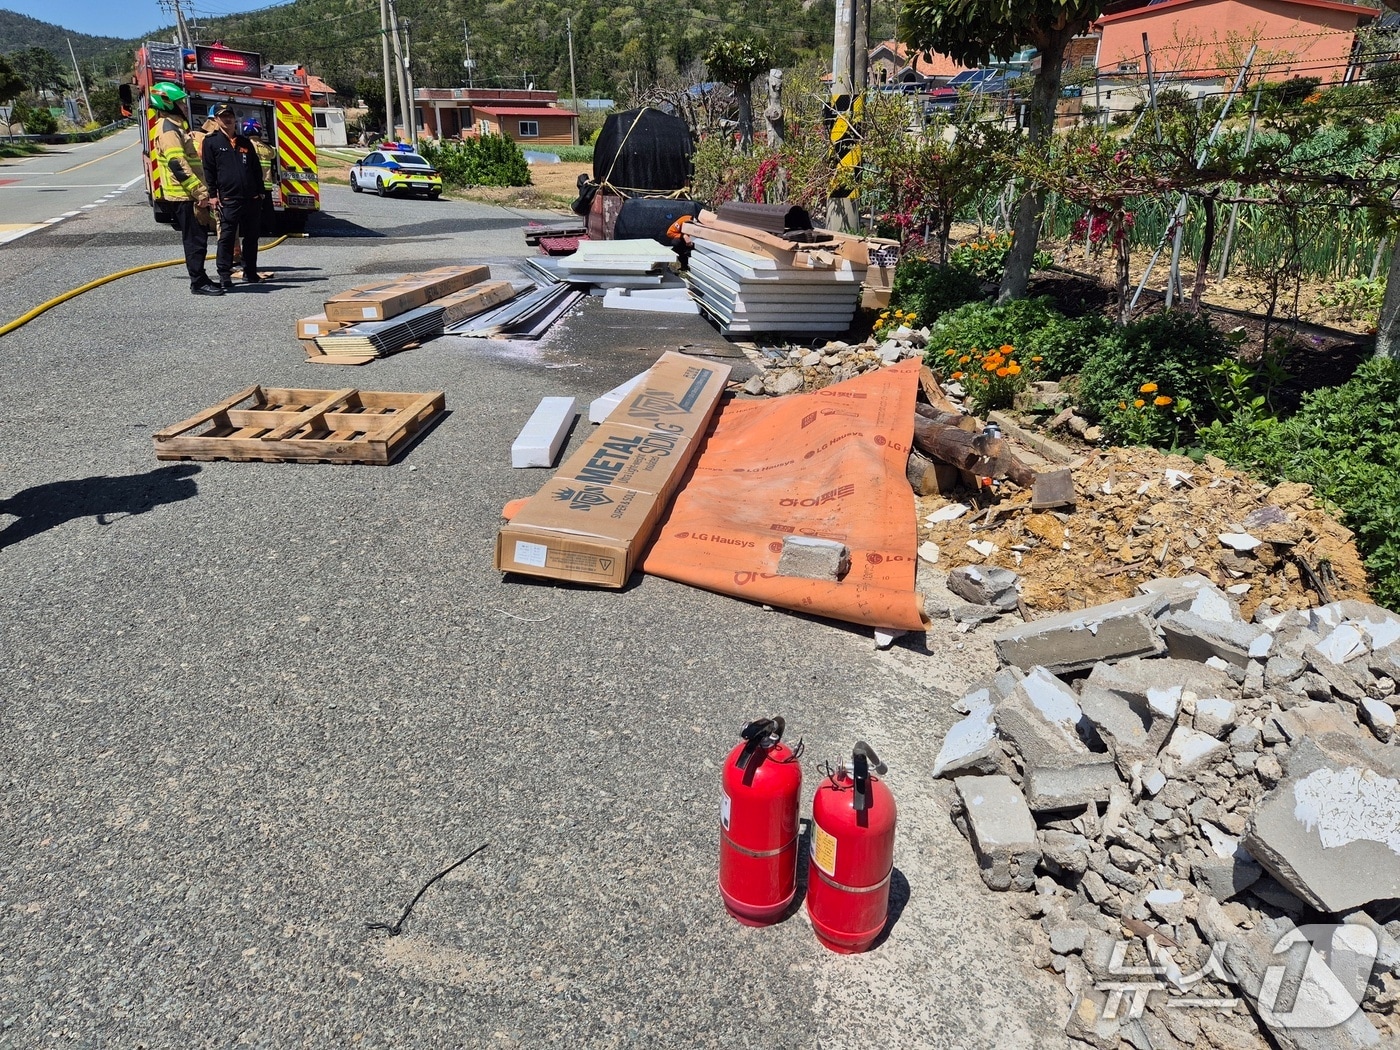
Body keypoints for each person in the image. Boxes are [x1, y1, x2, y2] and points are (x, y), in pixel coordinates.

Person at [148, 82, 221, 296]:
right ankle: (198, 282)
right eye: (180, 102)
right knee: (195, 240)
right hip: (185, 196)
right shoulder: (168, 129)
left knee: (198, 238)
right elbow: (177, 164)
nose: (185, 105)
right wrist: (199, 193)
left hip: (188, 195)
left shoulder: (175, 125)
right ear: (167, 103)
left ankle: (200, 277)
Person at [200, 103, 266, 290]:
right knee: (227, 238)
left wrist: (260, 192)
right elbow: (209, 171)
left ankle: (250, 272)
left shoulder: (245, 143)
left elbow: (255, 169)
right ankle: (224, 275)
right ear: (216, 120)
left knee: (252, 238)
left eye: (229, 115)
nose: (227, 119)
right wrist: (212, 195)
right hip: (229, 199)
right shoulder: (211, 142)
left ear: (234, 118)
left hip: (251, 199)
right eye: (223, 116)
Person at [242, 118, 278, 254]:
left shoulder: (245, 146)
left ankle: (250, 229)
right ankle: (270, 229)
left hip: (251, 185)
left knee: (251, 210)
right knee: (268, 208)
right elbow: (274, 153)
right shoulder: (266, 148)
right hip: (266, 185)